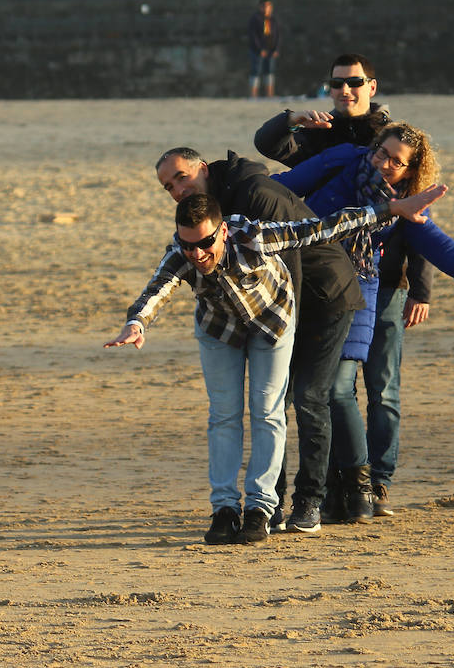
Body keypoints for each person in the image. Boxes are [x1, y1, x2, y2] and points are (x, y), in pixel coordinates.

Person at [105, 185, 445, 546]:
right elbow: (158, 287)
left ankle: (260, 509)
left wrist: (391, 208)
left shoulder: (254, 237)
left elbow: (324, 227)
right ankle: (223, 510)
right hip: (220, 330)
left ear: (222, 231)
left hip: (272, 324)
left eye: (204, 243)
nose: (197, 254)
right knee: (223, 414)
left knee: (268, 411)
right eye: (187, 245)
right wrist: (137, 323)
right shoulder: (181, 253)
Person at [274, 120, 454, 518]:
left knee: (337, 389)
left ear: (412, 169)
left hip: (356, 292)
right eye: (381, 153)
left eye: (397, 162)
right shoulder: (343, 161)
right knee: (303, 393)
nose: (384, 164)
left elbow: (446, 251)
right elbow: (284, 185)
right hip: (301, 285)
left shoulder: (409, 204)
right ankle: (332, 490)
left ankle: (361, 485)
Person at [155, 148, 369, 537]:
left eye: (181, 177)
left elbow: (295, 262)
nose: (176, 190)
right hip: (274, 307)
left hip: (322, 296)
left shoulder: (253, 193)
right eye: (168, 186)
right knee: (275, 404)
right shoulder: (208, 211)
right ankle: (267, 505)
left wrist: (287, 330)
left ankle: (309, 500)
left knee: (308, 397)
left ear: (202, 169)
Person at [255, 53, 386, 168]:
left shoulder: (388, 135)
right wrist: (289, 120)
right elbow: (266, 145)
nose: (345, 90)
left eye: (355, 82)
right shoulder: (318, 133)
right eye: (337, 83)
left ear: (372, 87)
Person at [246, 0, 280, 99]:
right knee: (255, 71)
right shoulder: (255, 19)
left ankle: (269, 94)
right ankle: (253, 95)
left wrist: (276, 49)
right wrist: (260, 49)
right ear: (260, 7)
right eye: (264, 6)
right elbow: (253, 36)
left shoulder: (273, 19)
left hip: (270, 50)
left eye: (268, 6)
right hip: (257, 51)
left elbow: (277, 35)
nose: (266, 9)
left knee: (269, 72)